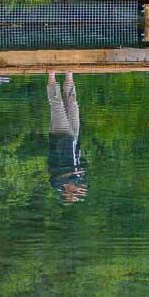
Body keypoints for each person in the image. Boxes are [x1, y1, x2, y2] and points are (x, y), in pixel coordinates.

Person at [47, 71, 88, 203]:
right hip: (74, 140)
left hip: (60, 138)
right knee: (73, 104)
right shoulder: (77, 179)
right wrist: (78, 175)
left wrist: (73, 174)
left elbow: (60, 174)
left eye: (73, 193)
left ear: (67, 193)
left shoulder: (57, 183)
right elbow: (83, 167)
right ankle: (69, 73)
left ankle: (51, 74)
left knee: (57, 106)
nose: (76, 189)